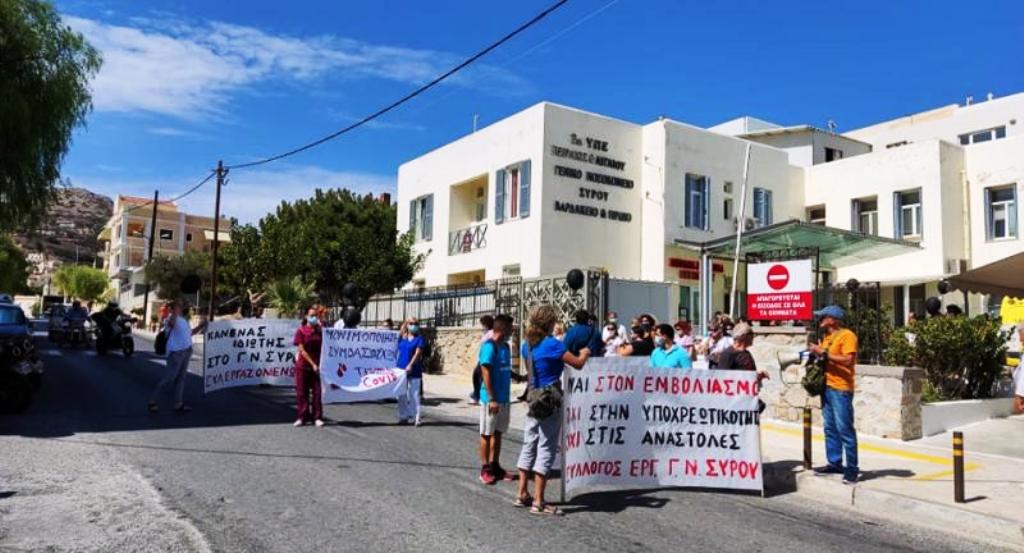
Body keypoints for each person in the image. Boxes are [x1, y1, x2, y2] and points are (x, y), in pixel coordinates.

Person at [515, 305, 590, 516]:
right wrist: (584, 353)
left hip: (533, 397)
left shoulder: (526, 345)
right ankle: (538, 501)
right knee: (547, 447)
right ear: (549, 323)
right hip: (550, 398)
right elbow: (578, 364)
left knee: (529, 443)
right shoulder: (553, 345)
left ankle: (522, 493)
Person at [808, 305, 860, 485]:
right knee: (830, 428)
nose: (820, 319)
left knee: (845, 429)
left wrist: (824, 353)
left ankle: (852, 469)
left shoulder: (847, 336)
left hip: (841, 389)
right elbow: (826, 358)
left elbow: (848, 360)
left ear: (832, 319)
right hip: (827, 387)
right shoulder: (827, 338)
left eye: (823, 316)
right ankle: (835, 463)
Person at [148, 300, 204, 413]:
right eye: (179, 306)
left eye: (181, 306)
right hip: (176, 353)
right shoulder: (170, 318)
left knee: (181, 379)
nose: (182, 307)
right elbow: (171, 324)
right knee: (169, 378)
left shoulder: (184, 320)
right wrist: (174, 311)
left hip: (187, 350)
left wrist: (201, 326)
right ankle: (153, 401)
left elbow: (190, 333)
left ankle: (178, 404)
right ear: (173, 309)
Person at [478, 314, 513, 485]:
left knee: (498, 433)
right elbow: (485, 372)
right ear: (504, 329)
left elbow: (505, 368)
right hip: (490, 399)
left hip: (504, 398)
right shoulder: (489, 347)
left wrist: (519, 377)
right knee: (487, 433)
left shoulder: (505, 347)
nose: (513, 330)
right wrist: (491, 398)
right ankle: (485, 468)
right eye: (511, 327)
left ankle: (495, 465)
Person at [293, 306, 325, 427]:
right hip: (303, 366)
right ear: (306, 316)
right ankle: (302, 417)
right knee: (302, 392)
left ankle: (317, 417)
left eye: (315, 316)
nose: (314, 318)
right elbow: (301, 350)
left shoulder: (320, 331)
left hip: (318, 367)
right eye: (311, 315)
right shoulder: (301, 331)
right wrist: (312, 364)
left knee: (317, 392)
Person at [397, 317, 425, 426]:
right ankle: (403, 416)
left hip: (414, 370)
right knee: (401, 395)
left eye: (416, 323)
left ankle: (415, 417)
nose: (414, 325)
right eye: (412, 323)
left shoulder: (419, 339)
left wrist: (410, 365)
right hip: (401, 369)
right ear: (407, 324)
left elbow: (418, 353)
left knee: (414, 394)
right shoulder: (402, 338)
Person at [470, 315, 495, 405]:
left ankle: (478, 396)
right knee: (477, 377)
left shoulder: (491, 333)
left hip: (485, 359)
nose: (482, 327)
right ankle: (476, 395)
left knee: (479, 377)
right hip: (482, 358)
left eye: (483, 325)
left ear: (486, 324)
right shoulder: (488, 333)